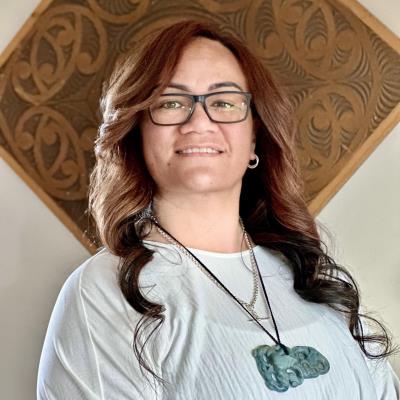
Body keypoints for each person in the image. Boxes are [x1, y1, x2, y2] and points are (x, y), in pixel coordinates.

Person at [37, 20, 399, 399]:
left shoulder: (315, 278)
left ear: (254, 136)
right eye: (171, 102)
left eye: (224, 102)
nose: (198, 122)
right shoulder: (104, 291)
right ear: (137, 132)